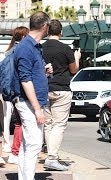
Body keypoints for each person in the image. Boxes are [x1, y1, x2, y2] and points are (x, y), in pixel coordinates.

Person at [13, 12, 52, 180]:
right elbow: (25, 80)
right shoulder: (26, 47)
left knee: (27, 144)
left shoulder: (33, 46)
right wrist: (37, 109)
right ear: (44, 26)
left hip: (31, 102)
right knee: (35, 144)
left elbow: (29, 75)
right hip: (28, 103)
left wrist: (43, 72)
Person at [42, 19, 81, 171]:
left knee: (48, 124)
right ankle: (52, 158)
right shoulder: (66, 49)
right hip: (62, 89)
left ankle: (50, 155)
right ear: (61, 32)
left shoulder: (41, 47)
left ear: (47, 31)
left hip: (45, 88)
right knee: (59, 125)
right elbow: (73, 70)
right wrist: (76, 59)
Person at [0, 26, 30, 165]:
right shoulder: (20, 51)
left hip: (11, 93)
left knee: (16, 122)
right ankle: (16, 152)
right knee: (21, 123)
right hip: (20, 92)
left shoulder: (8, 52)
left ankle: (14, 150)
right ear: (24, 37)